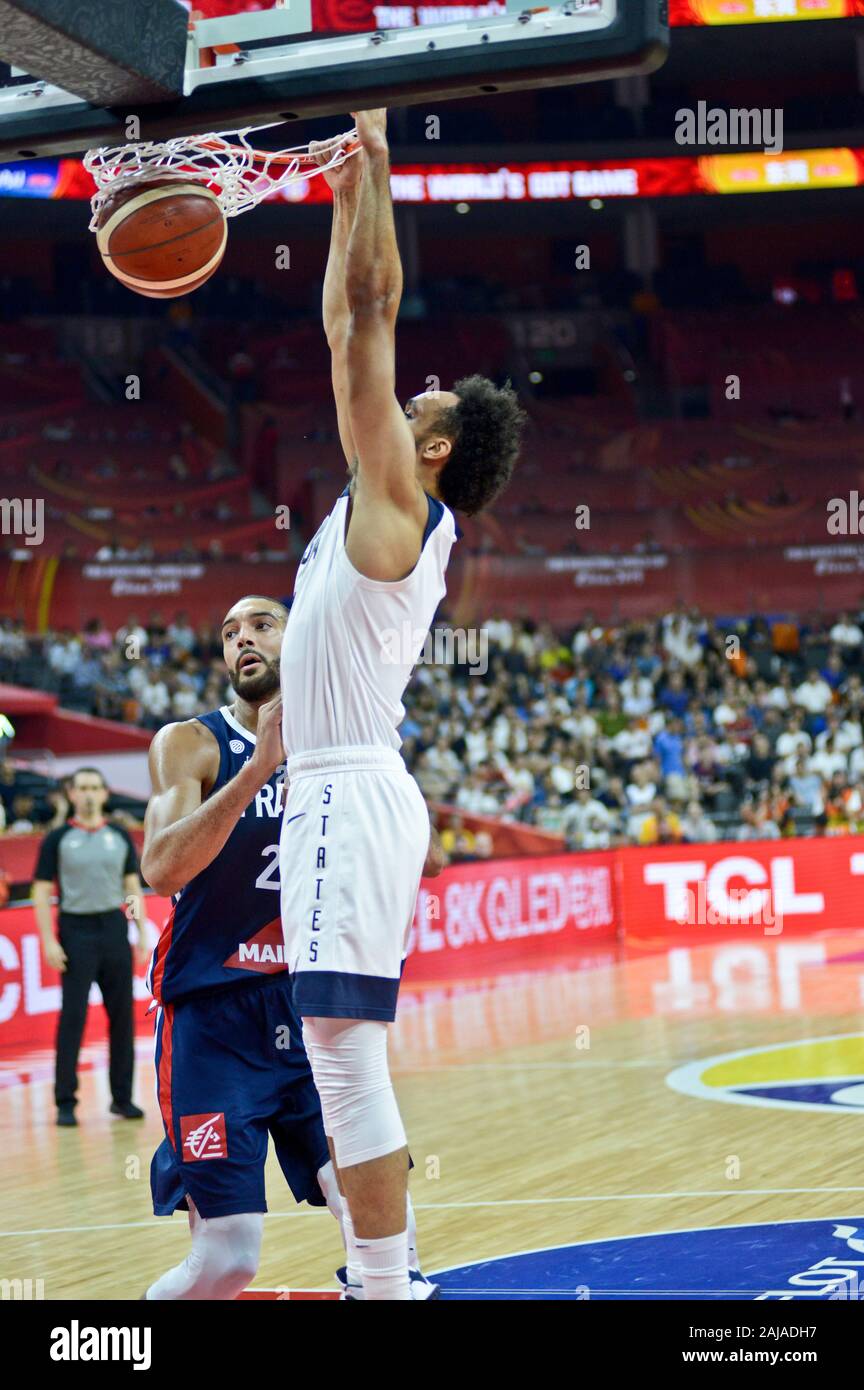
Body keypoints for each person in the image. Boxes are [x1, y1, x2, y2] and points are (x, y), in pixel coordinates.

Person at [278, 111, 525, 1300]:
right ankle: (387, 1276)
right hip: (350, 788)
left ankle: (384, 1286)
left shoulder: (397, 498)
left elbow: (362, 318)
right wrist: (343, 185)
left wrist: (370, 153)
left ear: (432, 447)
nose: (412, 387)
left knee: (341, 1056)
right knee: (342, 1053)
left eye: (430, 398)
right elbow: (348, 319)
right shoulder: (388, 499)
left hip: (346, 789)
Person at [140, 594, 441, 1300]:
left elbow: (412, 857)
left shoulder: (346, 741)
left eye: (260, 625)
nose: (241, 638)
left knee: (379, 1218)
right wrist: (258, 771)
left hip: (310, 1004)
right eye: (228, 630)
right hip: (213, 1018)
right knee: (228, 1261)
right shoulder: (191, 743)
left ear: (298, 636)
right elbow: (161, 869)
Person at [32, 767, 147, 1127]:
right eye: (82, 788)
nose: (88, 794)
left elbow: (132, 885)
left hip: (113, 928)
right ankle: (66, 1101)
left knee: (122, 1017)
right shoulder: (57, 839)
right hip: (75, 930)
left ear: (104, 793)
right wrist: (49, 939)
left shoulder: (118, 835)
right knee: (73, 1018)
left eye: (95, 788)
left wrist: (140, 930)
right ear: (71, 794)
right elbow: (39, 891)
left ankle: (123, 1099)